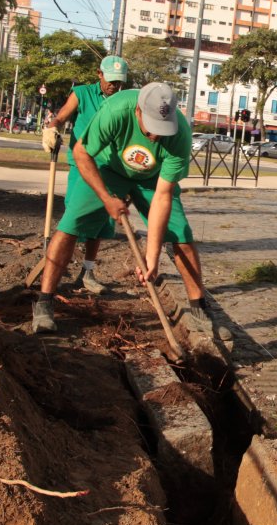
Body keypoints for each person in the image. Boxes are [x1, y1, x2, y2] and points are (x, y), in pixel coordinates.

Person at [32, 81, 219, 337]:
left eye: (161, 129)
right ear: (138, 111)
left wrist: (151, 257)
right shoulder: (116, 110)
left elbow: (163, 196)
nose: (155, 136)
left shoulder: (179, 135)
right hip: (108, 169)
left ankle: (199, 308)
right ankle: (44, 303)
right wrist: (107, 198)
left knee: (181, 234)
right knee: (71, 224)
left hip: (153, 180)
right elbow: (81, 153)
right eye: (151, 127)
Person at [41, 55, 130, 294]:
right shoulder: (82, 93)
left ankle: (87, 272)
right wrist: (52, 128)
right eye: (111, 80)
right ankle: (54, 271)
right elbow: (62, 116)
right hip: (82, 165)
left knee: (102, 221)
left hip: (111, 168)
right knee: (73, 218)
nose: (115, 86)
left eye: (119, 82)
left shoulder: (122, 99)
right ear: (99, 74)